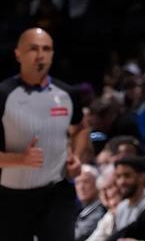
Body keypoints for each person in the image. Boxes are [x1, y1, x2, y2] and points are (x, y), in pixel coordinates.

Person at [0, 27, 89, 241]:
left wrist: (77, 156)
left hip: (56, 192)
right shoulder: (3, 94)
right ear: (18, 54)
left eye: (46, 49)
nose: (40, 55)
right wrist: (19, 159)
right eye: (33, 49)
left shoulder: (67, 93)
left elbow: (81, 128)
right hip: (11, 196)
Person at [74, 164, 106, 241]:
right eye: (77, 182)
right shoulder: (83, 208)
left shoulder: (100, 211)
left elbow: (75, 236)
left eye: (86, 182)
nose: (81, 187)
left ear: (97, 184)